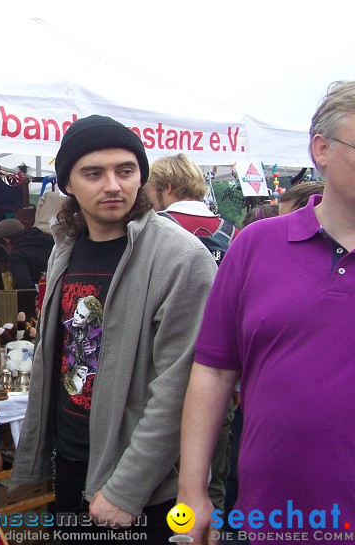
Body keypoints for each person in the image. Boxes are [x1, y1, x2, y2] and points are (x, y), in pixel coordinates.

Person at [179, 76, 355, 544]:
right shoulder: (257, 246)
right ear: (322, 149)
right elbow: (214, 372)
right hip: (266, 518)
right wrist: (192, 491)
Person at [11, 115, 218, 544]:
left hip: (139, 481)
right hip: (70, 459)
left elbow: (178, 387)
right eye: (93, 173)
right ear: (68, 183)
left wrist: (128, 488)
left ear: (141, 175)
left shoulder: (181, 257)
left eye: (125, 171)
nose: (113, 185)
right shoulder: (65, 246)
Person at [146, 152, 238, 512]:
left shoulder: (153, 231)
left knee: (160, 480)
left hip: (163, 372)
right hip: (220, 370)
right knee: (211, 478)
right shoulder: (233, 232)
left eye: (152, 187)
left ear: (166, 186)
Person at [0, 217, 54, 289]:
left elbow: (23, 285)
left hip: (42, 297)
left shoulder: (17, 256)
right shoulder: (51, 242)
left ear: (6, 241)